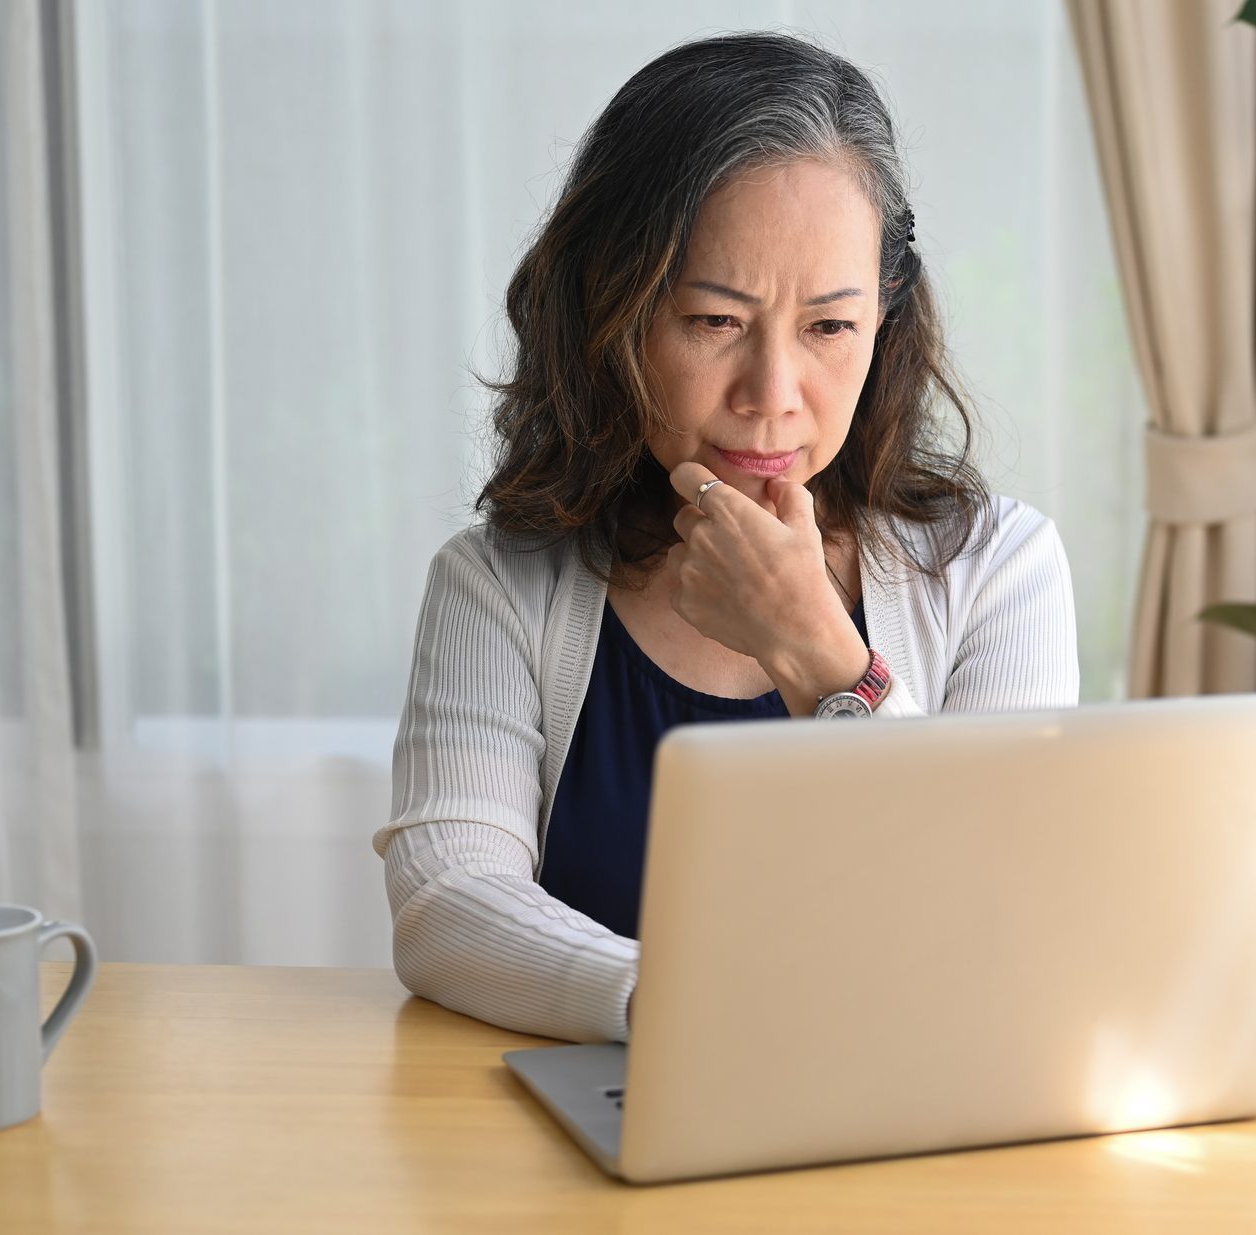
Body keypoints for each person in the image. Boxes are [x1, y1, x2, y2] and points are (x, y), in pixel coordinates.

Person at [372, 31, 1079, 1044]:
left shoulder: (994, 569)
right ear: (611, 315)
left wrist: (820, 656)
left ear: (882, 324)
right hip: (609, 1120)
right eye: (712, 321)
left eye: (829, 328)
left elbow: (1002, 918)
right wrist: (687, 1009)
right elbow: (446, 900)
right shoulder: (498, 582)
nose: (772, 398)